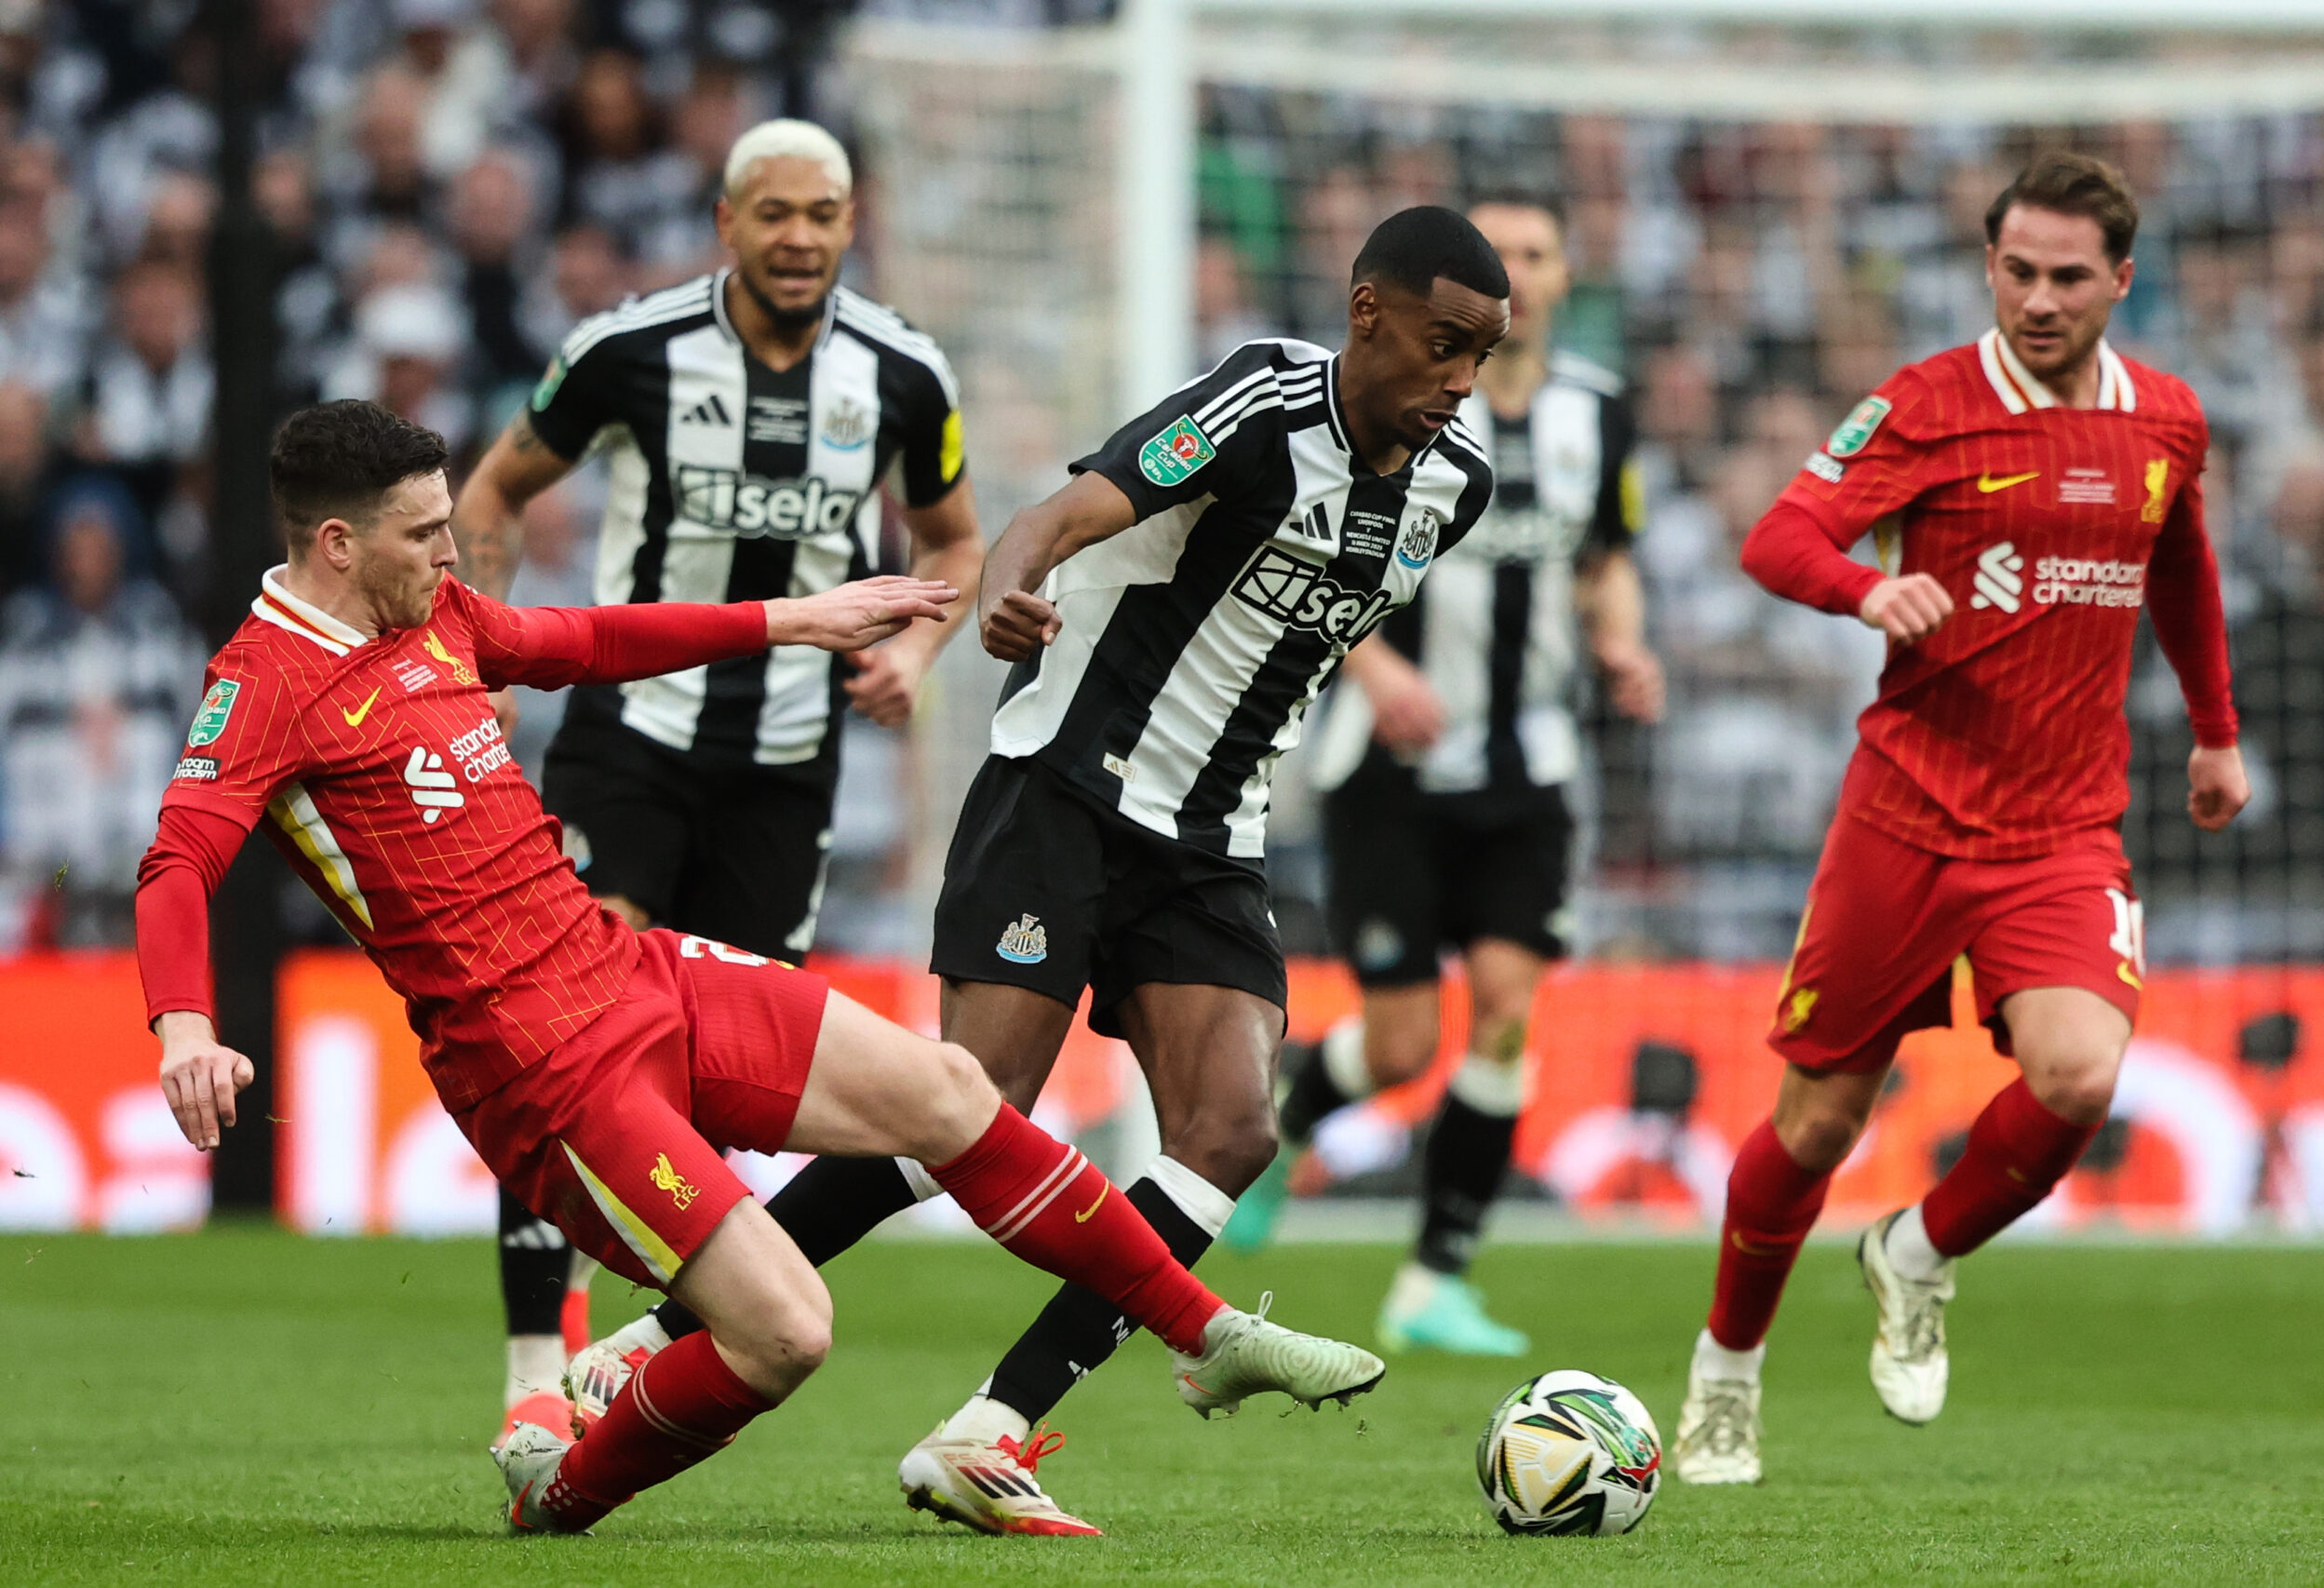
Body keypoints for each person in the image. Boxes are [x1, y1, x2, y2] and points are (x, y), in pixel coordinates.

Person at [132, 399, 1383, 1534]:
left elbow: (579, 637)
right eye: (423, 535)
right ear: (338, 544)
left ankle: (1204, 1331)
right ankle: (558, 1490)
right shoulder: (260, 684)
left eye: (452, 526)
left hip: (633, 968)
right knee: (788, 1332)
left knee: (954, 1092)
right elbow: (177, 864)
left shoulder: (436, 612)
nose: (452, 556)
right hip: (538, 1066)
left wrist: (793, 619)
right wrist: (186, 1028)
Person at [570, 205, 1508, 1535]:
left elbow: (1287, 624)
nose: (1461, 380)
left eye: (1482, 354)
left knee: (1234, 1128)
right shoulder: (1255, 403)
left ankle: (989, 1427)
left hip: (1211, 839)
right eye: (1443, 343)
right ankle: (642, 1341)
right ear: (1370, 313)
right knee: (967, 1101)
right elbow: (1055, 516)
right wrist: (1010, 595)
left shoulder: (1451, 488)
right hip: (1066, 792)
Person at [1670, 154, 2250, 1486]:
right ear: (1990, 267)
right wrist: (1862, 594)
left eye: (2065, 276)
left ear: (2120, 278)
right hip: (1906, 815)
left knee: (2080, 1077)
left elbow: (2185, 566)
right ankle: (1726, 1368)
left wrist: (2215, 733)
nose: (2038, 299)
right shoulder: (1926, 401)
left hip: (2062, 828)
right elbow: (1780, 536)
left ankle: (1917, 1249)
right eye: (2016, 272)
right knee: (1816, 1126)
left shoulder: (2167, 421)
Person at [447, 117, 984, 1444]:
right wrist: (481, 648)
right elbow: (498, 490)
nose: (798, 236)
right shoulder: (628, 348)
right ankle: (533, 1359)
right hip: (626, 738)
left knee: (700, 1067)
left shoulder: (905, 374)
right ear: (725, 221)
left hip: (786, 769)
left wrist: (918, 649)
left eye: (822, 213)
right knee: (568, 1037)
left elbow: (957, 538)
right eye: (773, 212)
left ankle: (633, 1349)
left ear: (851, 224)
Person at [1218, 193, 1665, 1358]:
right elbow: (1324, 546)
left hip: (1532, 766)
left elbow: (1607, 561)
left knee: (1509, 1017)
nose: (1511, 269)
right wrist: (1369, 667)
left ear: (1556, 282)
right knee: (1405, 1039)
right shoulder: (1409, 403)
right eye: (1495, 250)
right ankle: (1288, 1117)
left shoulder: (1598, 419)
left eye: (1533, 253)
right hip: (1394, 767)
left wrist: (1621, 639)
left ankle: (1433, 1278)